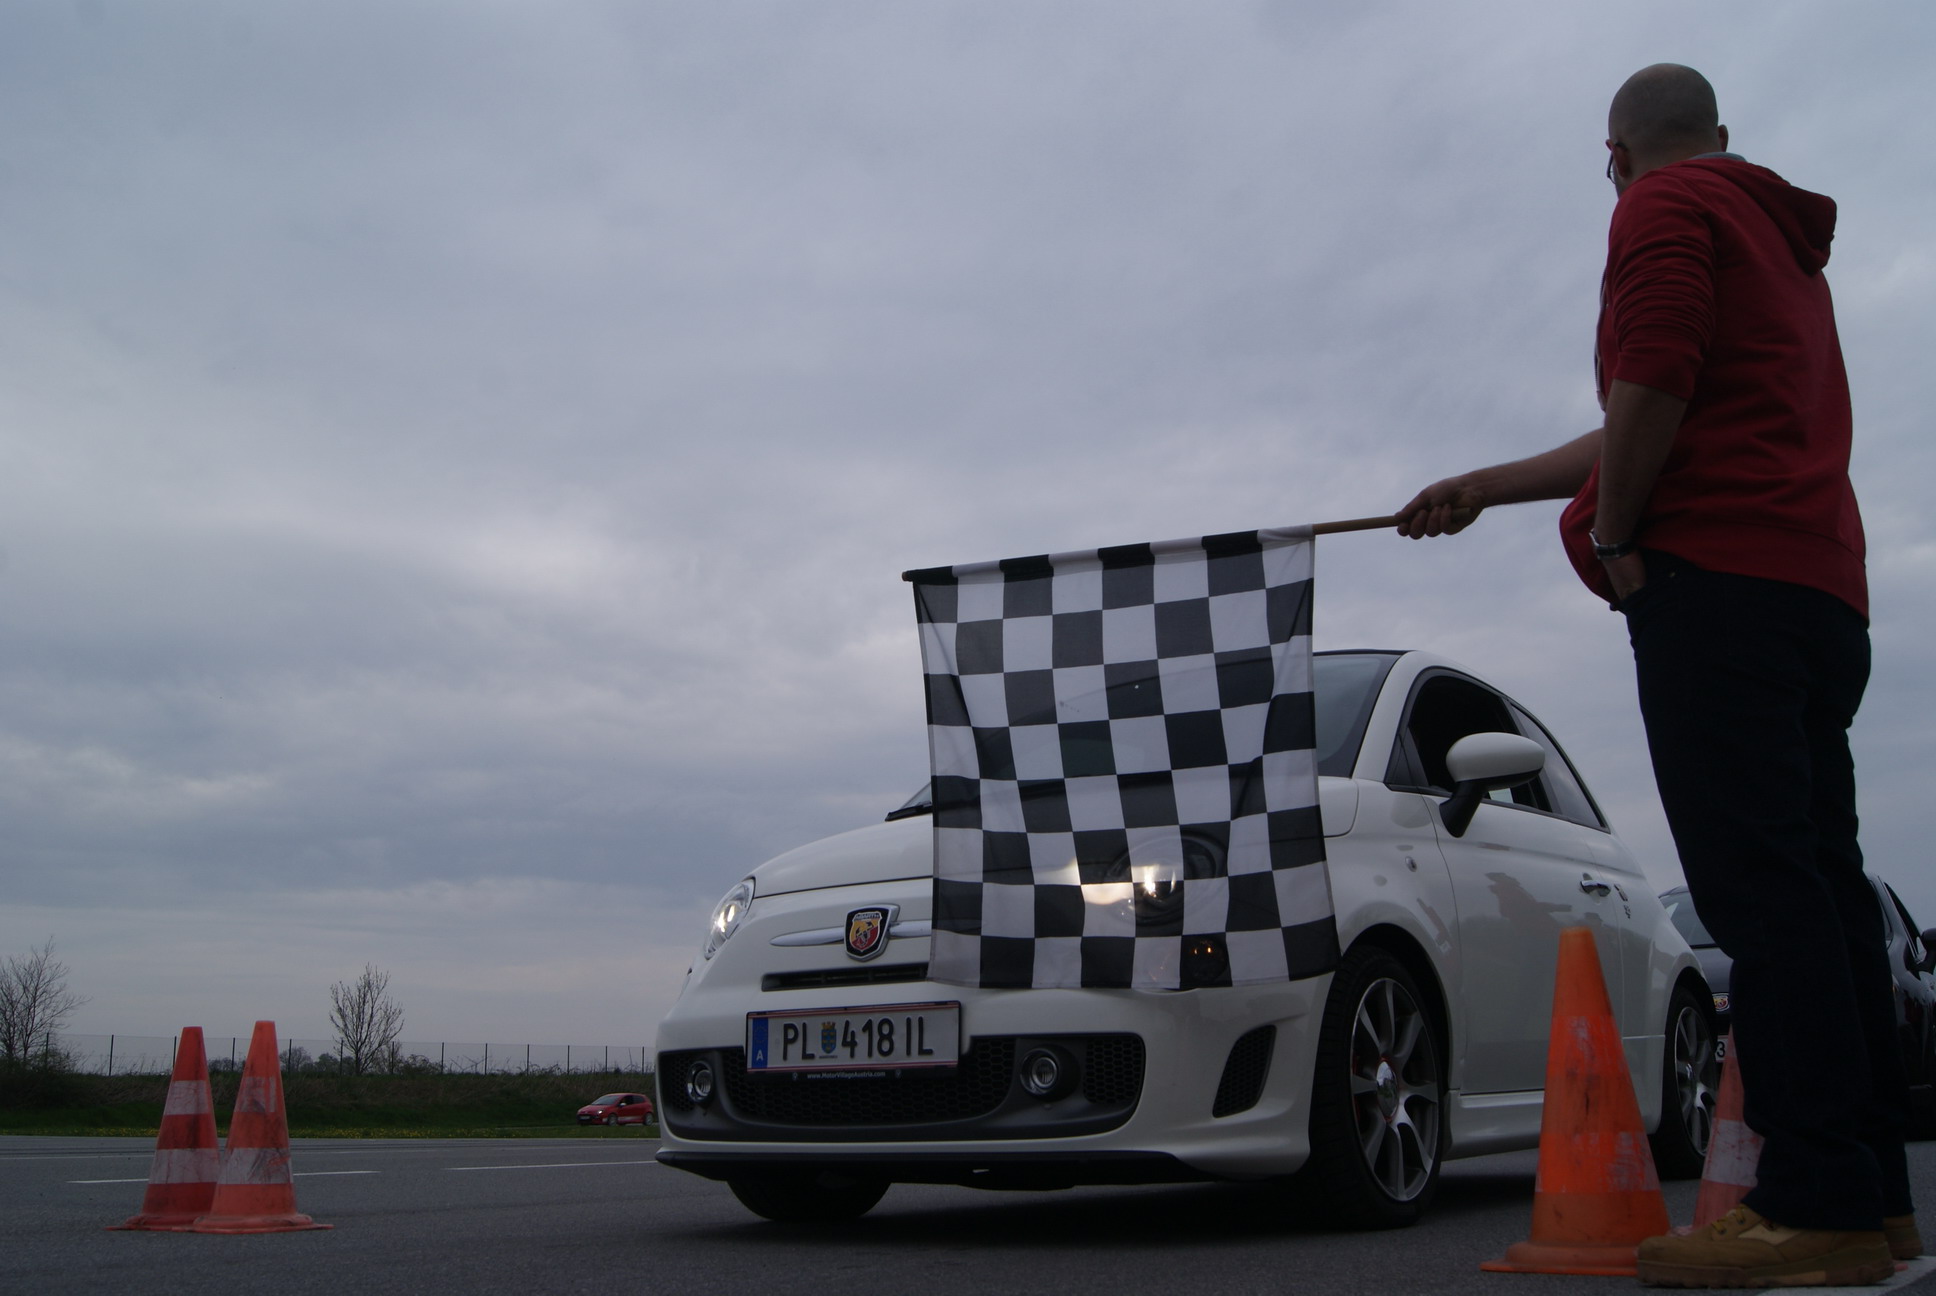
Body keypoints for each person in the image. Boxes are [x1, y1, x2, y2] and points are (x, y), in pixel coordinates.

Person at [1396, 64, 1913, 1288]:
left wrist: (1617, 533)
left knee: (1760, 896)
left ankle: (1813, 1200)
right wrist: (1487, 486)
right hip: (1816, 590)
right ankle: (1872, 1199)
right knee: (1822, 891)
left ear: (1615, 156)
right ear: (1717, 136)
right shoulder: (1773, 239)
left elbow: (1656, 380)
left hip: (1714, 582)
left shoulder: (1661, 208)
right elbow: (1660, 394)